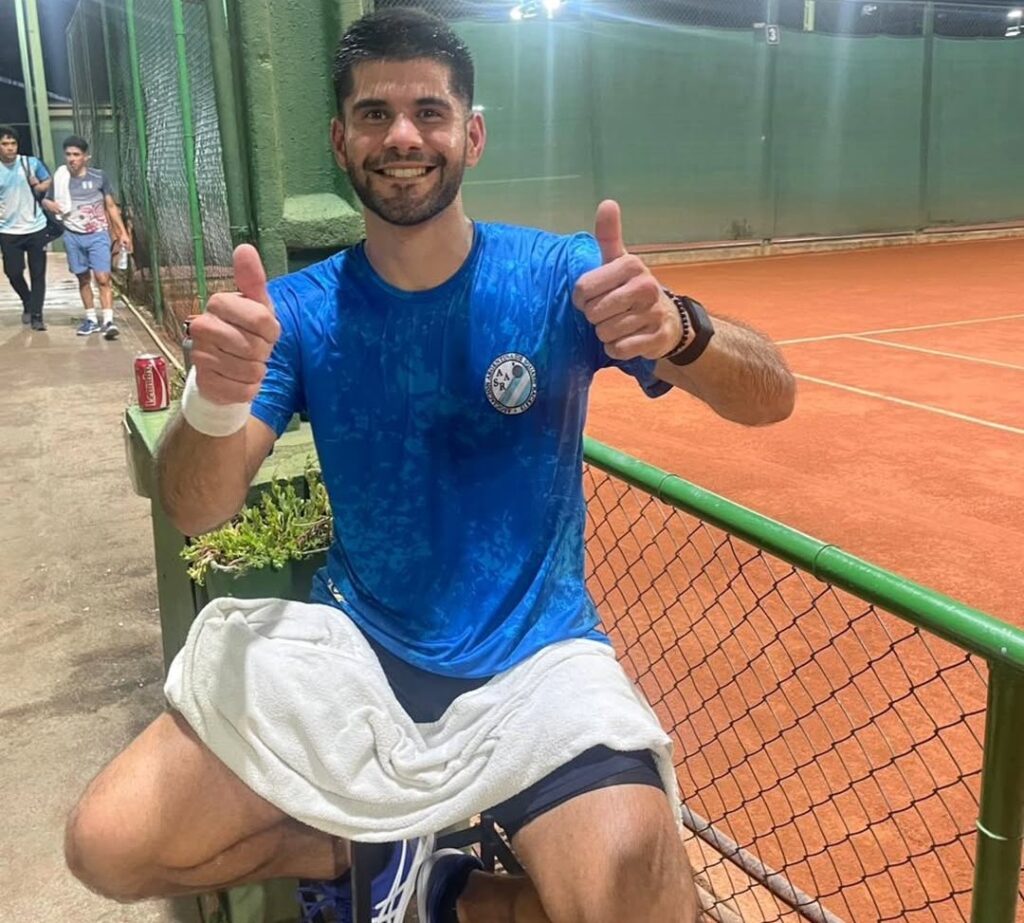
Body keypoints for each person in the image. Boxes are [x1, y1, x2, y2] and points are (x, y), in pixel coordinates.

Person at [63, 9, 795, 923]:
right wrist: (212, 400)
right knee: (109, 842)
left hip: (539, 659)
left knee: (639, 900)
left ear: (471, 134)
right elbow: (195, 509)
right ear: (340, 139)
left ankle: (438, 884)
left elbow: (772, 394)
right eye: (374, 114)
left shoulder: (560, 276)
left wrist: (683, 331)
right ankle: (391, 852)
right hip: (360, 653)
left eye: (428, 111)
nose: (401, 136)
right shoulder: (297, 313)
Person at [44, 135, 131, 340]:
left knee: (102, 278)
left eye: (76, 154)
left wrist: (122, 233)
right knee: (83, 278)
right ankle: (90, 319)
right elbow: (46, 201)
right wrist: (52, 205)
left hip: (97, 234)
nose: (71, 159)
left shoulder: (98, 177)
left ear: (86, 157)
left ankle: (108, 320)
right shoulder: (60, 178)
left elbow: (110, 205)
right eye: (68, 154)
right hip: (73, 235)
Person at [0, 124, 52, 331]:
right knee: (13, 272)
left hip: (35, 227)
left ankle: (37, 315)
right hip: (8, 230)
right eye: (5, 144)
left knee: (38, 273)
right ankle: (27, 301)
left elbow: (49, 181)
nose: (10, 148)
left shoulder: (30, 163)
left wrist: (38, 186)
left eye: (13, 143)